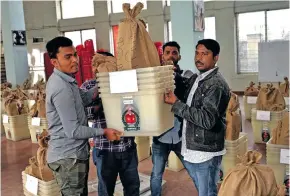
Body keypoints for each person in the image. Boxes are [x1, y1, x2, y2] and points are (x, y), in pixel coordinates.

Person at [45, 36, 122, 196]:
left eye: (75, 55)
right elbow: (73, 131)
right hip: (68, 158)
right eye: (68, 57)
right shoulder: (61, 88)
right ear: (54, 62)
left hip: (74, 155)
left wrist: (102, 83)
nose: (75, 60)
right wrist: (104, 132)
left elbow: (85, 99)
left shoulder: (68, 81)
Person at [164, 39, 231, 196]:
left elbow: (207, 120)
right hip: (195, 145)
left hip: (206, 150)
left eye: (205, 54)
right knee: (206, 190)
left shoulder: (215, 84)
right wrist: (170, 72)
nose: (199, 58)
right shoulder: (198, 78)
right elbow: (186, 96)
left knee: (207, 192)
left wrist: (177, 104)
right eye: (197, 53)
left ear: (216, 58)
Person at [80, 51, 140, 196]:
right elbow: (86, 115)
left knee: (132, 188)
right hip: (104, 149)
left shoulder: (126, 84)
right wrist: (102, 96)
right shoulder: (88, 87)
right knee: (106, 190)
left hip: (127, 146)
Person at [150, 41, 188, 196]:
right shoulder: (154, 77)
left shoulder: (184, 76)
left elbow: (185, 100)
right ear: (162, 55)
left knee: (193, 169)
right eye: (168, 52)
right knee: (156, 174)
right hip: (160, 138)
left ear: (179, 56)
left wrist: (173, 75)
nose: (171, 55)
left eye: (174, 52)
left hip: (180, 136)